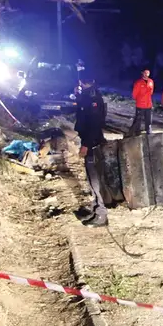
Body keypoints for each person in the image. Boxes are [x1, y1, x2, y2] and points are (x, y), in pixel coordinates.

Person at [74, 71, 109, 228]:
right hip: (90, 140)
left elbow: (94, 123)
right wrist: (78, 97)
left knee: (95, 180)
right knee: (90, 178)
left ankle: (101, 215)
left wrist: (86, 144)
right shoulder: (87, 94)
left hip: (93, 143)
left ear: (83, 81)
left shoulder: (93, 96)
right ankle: (96, 209)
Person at [127, 68, 154, 136]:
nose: (146, 74)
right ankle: (136, 132)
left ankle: (149, 131)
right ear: (143, 73)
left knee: (148, 119)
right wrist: (140, 99)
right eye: (145, 73)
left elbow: (151, 91)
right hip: (140, 105)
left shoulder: (151, 81)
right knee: (138, 120)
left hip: (148, 104)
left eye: (148, 73)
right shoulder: (138, 82)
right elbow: (134, 94)